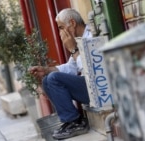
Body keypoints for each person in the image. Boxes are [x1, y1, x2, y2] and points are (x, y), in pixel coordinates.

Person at [29, 8, 92, 139]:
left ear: (72, 23)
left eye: (61, 27)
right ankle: (70, 121)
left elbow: (89, 71)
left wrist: (73, 49)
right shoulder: (78, 40)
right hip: (89, 89)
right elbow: (71, 68)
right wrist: (45, 70)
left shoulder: (90, 36)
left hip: (98, 90)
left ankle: (76, 122)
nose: (59, 33)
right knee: (47, 79)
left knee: (54, 78)